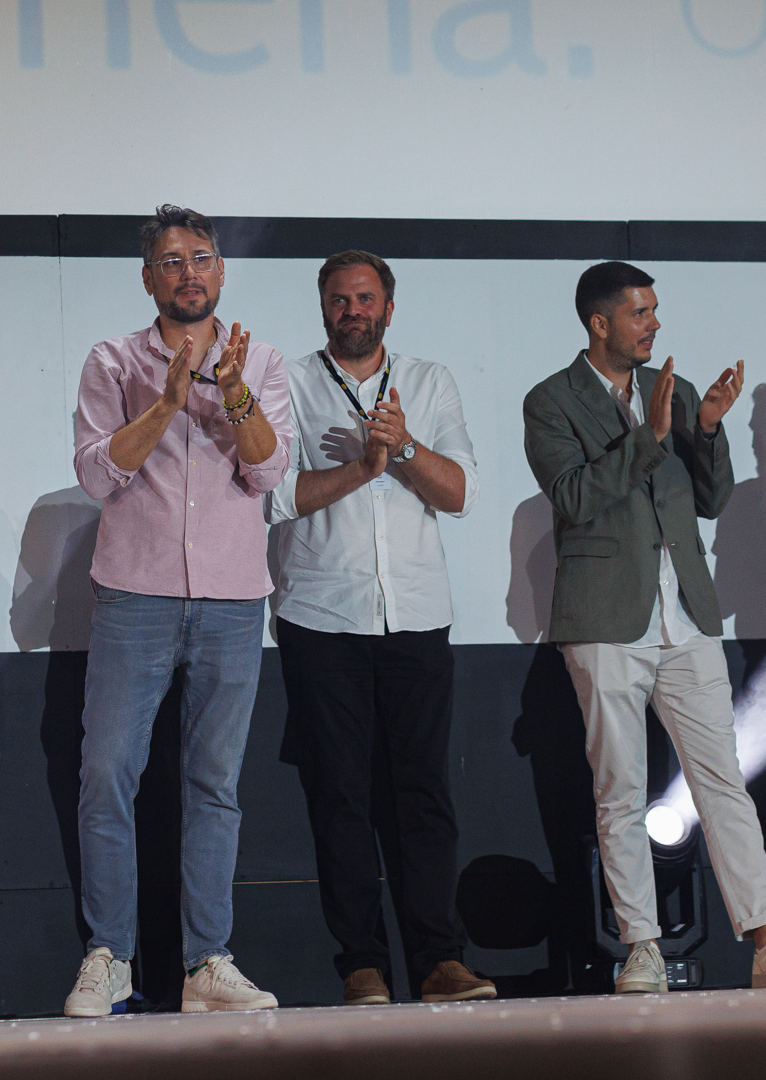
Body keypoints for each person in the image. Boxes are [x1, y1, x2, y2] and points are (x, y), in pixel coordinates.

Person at [524, 261, 766, 993]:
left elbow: (710, 498)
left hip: (687, 611)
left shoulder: (678, 388)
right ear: (600, 322)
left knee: (723, 778)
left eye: (654, 310)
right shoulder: (551, 399)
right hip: (604, 617)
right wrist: (652, 436)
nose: (654, 324)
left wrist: (708, 428)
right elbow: (574, 497)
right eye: (640, 312)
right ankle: (642, 946)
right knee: (620, 788)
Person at [63, 204, 293, 1018]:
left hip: (232, 599)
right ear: (148, 278)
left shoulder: (260, 361)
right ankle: (110, 955)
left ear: (220, 270)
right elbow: (96, 473)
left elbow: (269, 471)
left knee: (214, 785)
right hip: (136, 593)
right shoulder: (113, 360)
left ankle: (207, 962)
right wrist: (162, 404)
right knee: (106, 775)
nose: (188, 271)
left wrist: (231, 390)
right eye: (171, 259)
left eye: (200, 257)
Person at [266, 250, 491, 1006]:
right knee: (340, 798)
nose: (353, 310)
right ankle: (361, 963)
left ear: (389, 308)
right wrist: (362, 467)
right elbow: (275, 497)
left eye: (366, 298)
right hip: (321, 616)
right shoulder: (289, 383)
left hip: (416, 616)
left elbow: (460, 493)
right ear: (322, 308)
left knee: (423, 795)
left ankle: (439, 959)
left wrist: (405, 450)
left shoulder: (428, 381)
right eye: (340, 299)